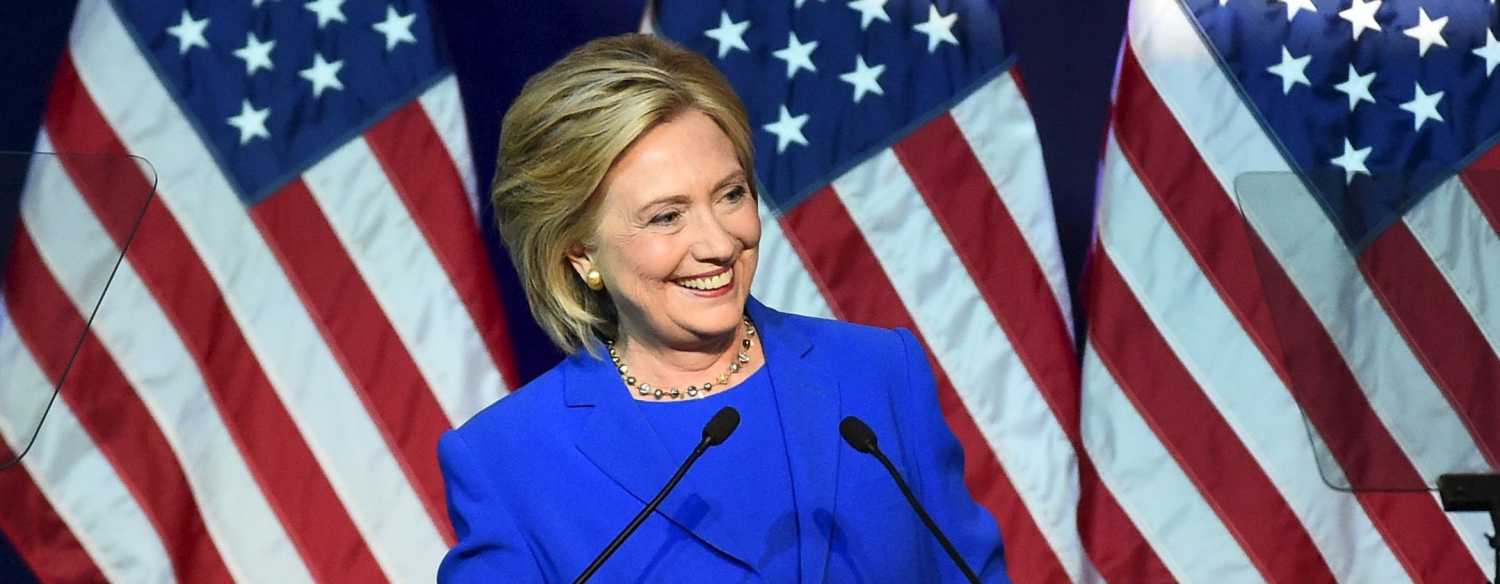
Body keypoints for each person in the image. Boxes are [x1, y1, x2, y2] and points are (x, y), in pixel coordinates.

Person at [437, 34, 1009, 583]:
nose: (718, 243)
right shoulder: (508, 461)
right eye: (667, 217)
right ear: (581, 254)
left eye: (731, 194)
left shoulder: (877, 374)